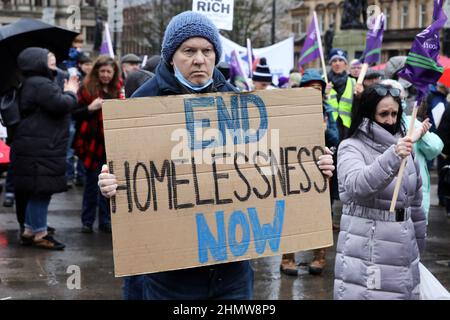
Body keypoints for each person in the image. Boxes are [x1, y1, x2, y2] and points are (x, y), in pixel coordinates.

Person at [97, 11, 335, 300]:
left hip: (231, 271)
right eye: (189, 51)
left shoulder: (238, 101)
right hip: (171, 276)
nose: (199, 59)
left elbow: (275, 162)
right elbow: (130, 185)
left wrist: (313, 166)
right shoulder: (142, 105)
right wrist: (109, 186)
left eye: (207, 50)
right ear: (171, 56)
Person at [334, 83, 427, 300]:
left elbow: (415, 205)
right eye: (383, 114)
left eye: (395, 113)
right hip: (369, 251)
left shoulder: (406, 147)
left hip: (405, 252)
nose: (390, 120)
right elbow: (357, 186)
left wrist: (418, 248)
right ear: (368, 115)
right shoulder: (351, 146)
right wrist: (393, 155)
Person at [14, 47, 79, 249]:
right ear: (37, 62)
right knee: (41, 191)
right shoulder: (41, 83)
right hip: (42, 147)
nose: (53, 63)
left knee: (36, 190)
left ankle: (30, 229)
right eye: (49, 60)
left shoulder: (29, 82)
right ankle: (39, 233)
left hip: (34, 144)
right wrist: (71, 93)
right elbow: (61, 104)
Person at [280, 69, 339, 276]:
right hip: (294, 167)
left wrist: (324, 130)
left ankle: (319, 256)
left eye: (318, 88)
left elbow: (335, 138)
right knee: (290, 212)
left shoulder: (327, 110)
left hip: (320, 170)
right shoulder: (289, 109)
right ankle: (287, 259)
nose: (315, 92)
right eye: (310, 88)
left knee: (320, 213)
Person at [73, 55, 124, 234]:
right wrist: (90, 108)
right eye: (102, 71)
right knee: (91, 184)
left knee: (108, 185)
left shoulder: (118, 90)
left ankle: (106, 220)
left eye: (109, 71)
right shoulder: (86, 89)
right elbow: (75, 114)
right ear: (96, 72)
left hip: (110, 143)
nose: (105, 75)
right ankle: (87, 221)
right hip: (91, 144)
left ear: (114, 72)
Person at [383, 79, 442, 223]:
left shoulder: (412, 122)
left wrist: (422, 135)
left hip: (415, 199)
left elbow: (435, 148)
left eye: (399, 97)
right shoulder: (372, 126)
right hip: (385, 198)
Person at [327, 48, 356, 140]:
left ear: (346, 64)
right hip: (328, 126)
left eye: (341, 60)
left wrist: (360, 95)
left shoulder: (353, 82)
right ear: (330, 64)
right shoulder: (323, 80)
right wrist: (322, 93)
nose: (337, 63)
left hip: (347, 127)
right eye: (334, 60)